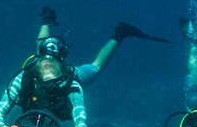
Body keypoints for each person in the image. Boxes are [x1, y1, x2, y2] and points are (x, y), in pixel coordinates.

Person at [33, 6, 164, 88]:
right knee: (95, 67)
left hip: (67, 75)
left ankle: (122, 33)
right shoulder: (31, 73)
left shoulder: (72, 81)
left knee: (42, 55)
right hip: (60, 73)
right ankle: (121, 34)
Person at [0, 55, 86, 127]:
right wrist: (0, 126)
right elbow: (0, 109)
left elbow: (81, 124)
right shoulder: (22, 80)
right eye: (47, 84)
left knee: (96, 68)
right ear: (36, 81)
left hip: (74, 75)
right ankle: (42, 43)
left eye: (54, 83)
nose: (51, 89)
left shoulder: (72, 87)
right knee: (42, 42)